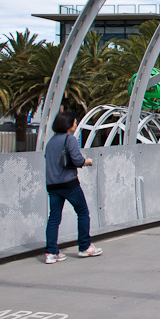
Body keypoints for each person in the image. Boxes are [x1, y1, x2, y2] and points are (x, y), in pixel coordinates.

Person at [44, 110, 102, 263]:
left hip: (52, 185)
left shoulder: (50, 141)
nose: (76, 125)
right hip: (68, 183)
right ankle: (85, 247)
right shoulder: (69, 139)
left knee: (54, 218)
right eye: (75, 122)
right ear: (68, 124)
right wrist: (87, 162)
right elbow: (77, 160)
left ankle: (51, 253)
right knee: (83, 212)